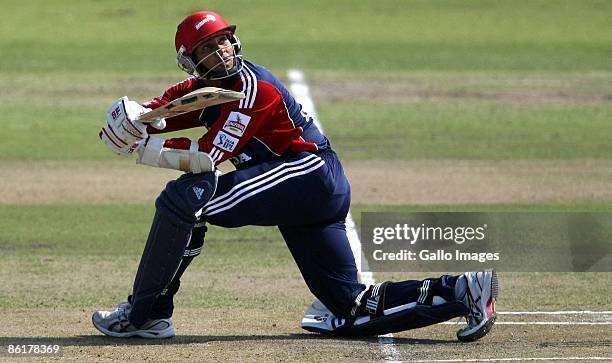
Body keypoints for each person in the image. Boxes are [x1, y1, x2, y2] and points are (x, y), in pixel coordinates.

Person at [92, 10, 498, 342]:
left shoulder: (252, 90)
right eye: (208, 48)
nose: (221, 51)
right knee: (350, 308)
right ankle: (464, 289)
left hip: (307, 176)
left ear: (234, 41)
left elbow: (206, 159)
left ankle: (145, 314)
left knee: (183, 200)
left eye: (222, 41)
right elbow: (165, 108)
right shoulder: (205, 87)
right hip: (310, 189)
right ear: (191, 60)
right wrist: (136, 119)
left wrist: (143, 150)